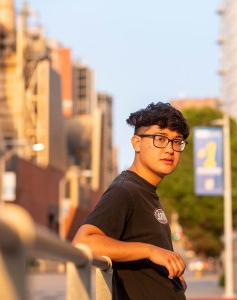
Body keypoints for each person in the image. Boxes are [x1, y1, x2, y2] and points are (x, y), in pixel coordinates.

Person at [72, 102, 190, 299]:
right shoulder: (125, 191)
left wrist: (170, 280)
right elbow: (83, 242)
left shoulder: (146, 191)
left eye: (177, 141)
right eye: (160, 139)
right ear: (136, 143)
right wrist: (151, 251)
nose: (170, 149)